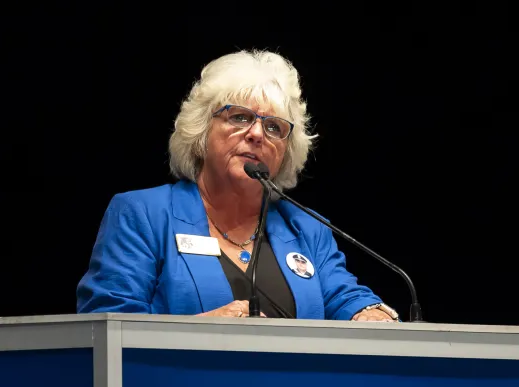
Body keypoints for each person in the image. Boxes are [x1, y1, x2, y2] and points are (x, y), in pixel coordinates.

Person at [76, 49, 399, 322]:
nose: (257, 134)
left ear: (286, 152)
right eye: (240, 117)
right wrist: (202, 331)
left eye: (273, 126)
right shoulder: (144, 215)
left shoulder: (306, 228)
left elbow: (344, 295)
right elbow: (109, 323)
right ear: (202, 131)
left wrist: (369, 314)